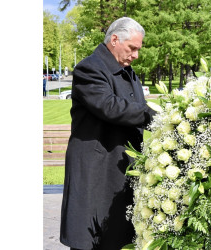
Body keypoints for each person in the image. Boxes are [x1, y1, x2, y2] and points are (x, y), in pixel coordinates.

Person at [60, 17, 156, 250]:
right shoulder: (89, 68)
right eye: (132, 48)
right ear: (114, 40)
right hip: (96, 173)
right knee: (92, 240)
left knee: (119, 239)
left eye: (138, 50)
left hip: (120, 171)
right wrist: (153, 114)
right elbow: (110, 106)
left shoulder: (128, 73)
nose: (135, 55)